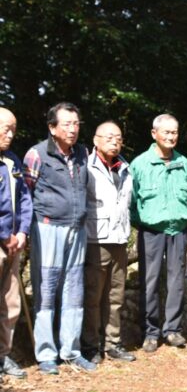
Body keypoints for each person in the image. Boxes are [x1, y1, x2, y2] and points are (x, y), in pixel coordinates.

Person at [23, 102, 96, 374]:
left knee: (74, 289)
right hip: (47, 227)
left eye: (76, 123)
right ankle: (45, 354)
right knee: (46, 290)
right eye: (66, 124)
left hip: (77, 228)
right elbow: (26, 194)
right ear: (52, 128)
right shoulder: (36, 154)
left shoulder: (82, 153)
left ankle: (71, 351)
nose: (73, 129)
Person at [130, 114, 187, 353]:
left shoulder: (184, 163)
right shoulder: (140, 164)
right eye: (166, 132)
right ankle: (150, 332)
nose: (171, 136)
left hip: (178, 229)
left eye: (174, 132)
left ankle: (173, 330)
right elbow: (131, 201)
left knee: (177, 281)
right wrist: (144, 222)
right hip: (151, 230)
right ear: (154, 134)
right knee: (150, 281)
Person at [81, 121, 135, 364]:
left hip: (119, 239)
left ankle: (113, 343)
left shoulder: (125, 167)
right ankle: (91, 345)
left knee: (116, 295)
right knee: (93, 296)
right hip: (96, 239)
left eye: (119, 138)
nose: (115, 141)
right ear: (96, 140)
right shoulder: (86, 166)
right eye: (109, 137)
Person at [0, 108, 32, 380]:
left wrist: (22, 231)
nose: (10, 134)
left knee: (10, 304)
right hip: (3, 240)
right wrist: (4, 235)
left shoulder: (13, 161)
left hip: (13, 243)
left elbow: (24, 199)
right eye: (5, 128)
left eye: (13, 129)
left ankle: (2, 355)